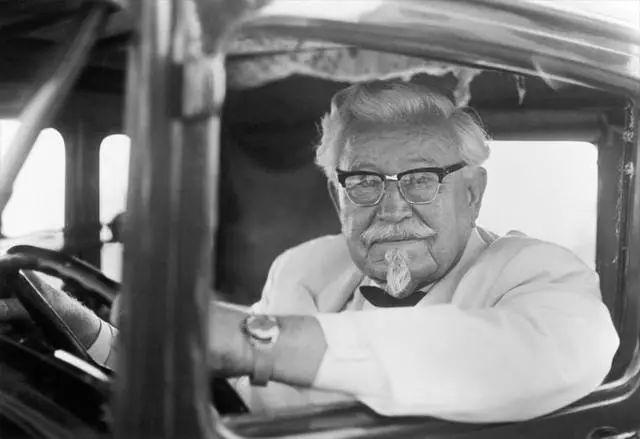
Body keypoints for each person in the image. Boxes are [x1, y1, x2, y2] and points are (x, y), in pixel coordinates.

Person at [0, 80, 619, 423]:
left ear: (474, 193)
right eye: (365, 182)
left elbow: (532, 356)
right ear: (336, 194)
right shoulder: (307, 266)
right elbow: (218, 378)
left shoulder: (535, 273)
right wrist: (78, 323)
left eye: (421, 180)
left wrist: (256, 341)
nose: (392, 208)